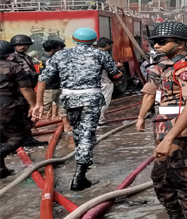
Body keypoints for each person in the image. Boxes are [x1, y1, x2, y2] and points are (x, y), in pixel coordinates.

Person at [136, 22, 187, 219]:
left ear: (180, 43)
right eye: (155, 42)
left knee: (186, 182)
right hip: (163, 128)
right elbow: (150, 92)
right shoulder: (161, 66)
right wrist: (141, 116)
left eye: (162, 42)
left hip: (182, 132)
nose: (156, 45)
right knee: (160, 179)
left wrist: (170, 138)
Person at [33, 27, 123, 190]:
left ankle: (83, 161)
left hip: (69, 99)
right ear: (93, 41)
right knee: (88, 134)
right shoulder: (100, 54)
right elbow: (116, 74)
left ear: (74, 40)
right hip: (91, 98)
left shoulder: (60, 55)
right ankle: (79, 176)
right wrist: (117, 77)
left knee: (77, 131)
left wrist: (38, 103)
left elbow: (43, 79)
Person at [0, 41, 37, 179]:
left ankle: (2, 170)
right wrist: (34, 105)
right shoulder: (14, 67)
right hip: (7, 105)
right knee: (19, 136)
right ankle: (2, 153)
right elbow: (26, 88)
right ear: (9, 54)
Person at [8, 34, 46, 147]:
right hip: (18, 91)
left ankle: (27, 139)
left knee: (26, 116)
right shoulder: (12, 58)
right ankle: (15, 143)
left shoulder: (27, 57)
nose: (22, 47)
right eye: (19, 45)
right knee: (18, 117)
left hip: (27, 88)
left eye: (25, 44)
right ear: (14, 46)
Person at [94, 38, 123, 125]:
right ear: (106, 45)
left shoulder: (90, 53)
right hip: (105, 81)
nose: (111, 47)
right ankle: (100, 120)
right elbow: (112, 70)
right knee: (104, 101)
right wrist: (119, 68)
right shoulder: (105, 55)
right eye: (110, 45)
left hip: (92, 82)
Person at [39, 40, 67, 127]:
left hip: (57, 86)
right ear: (54, 49)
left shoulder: (44, 57)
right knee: (43, 109)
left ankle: (67, 126)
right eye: (60, 48)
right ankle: (31, 127)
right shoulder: (49, 60)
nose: (62, 50)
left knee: (63, 108)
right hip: (50, 88)